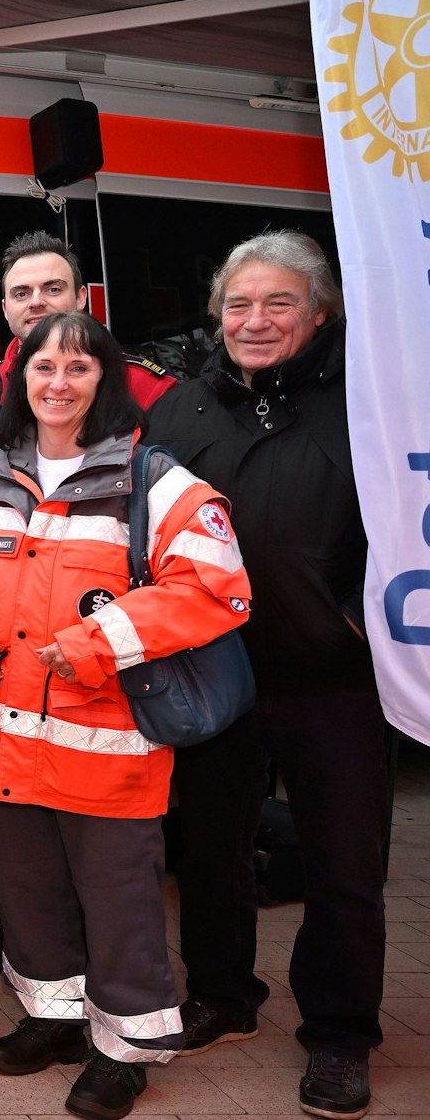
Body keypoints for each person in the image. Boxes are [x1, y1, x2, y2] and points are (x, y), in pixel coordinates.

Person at [0, 310, 250, 1120]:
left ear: (105, 380)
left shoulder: (156, 483)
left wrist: (96, 640)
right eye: (43, 367)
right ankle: (53, 1018)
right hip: (4, 748)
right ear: (20, 380)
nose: (58, 382)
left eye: (78, 368)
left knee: (120, 905)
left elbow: (216, 586)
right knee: (30, 892)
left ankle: (125, 1049)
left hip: (107, 747)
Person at [145, 231, 384, 1120]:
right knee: (210, 850)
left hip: (335, 673)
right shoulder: (182, 409)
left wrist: (358, 615)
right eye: (238, 304)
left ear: (320, 313)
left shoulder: (373, 402)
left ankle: (340, 1031)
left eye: (279, 302)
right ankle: (222, 995)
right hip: (215, 673)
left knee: (344, 861)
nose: (255, 320)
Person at [0, 232, 176, 411]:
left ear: (80, 298)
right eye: (21, 294)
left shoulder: (146, 388)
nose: (36, 302)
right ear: (5, 309)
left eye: (53, 289)